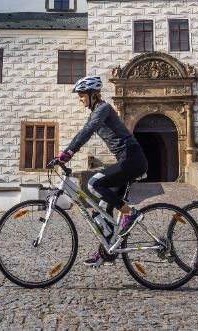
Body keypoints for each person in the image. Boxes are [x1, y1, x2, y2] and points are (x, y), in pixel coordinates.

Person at [57, 76, 149, 266]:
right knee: (101, 210)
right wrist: (65, 151)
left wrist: (69, 152)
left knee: (94, 184)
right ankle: (106, 251)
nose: (79, 99)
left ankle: (130, 214)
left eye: (82, 95)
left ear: (92, 95)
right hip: (125, 160)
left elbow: (88, 130)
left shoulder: (104, 109)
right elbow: (84, 130)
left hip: (133, 159)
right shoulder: (95, 112)